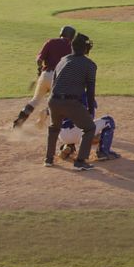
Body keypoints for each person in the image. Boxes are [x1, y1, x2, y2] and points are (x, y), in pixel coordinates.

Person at [44, 33, 99, 170]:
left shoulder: (62, 60)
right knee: (90, 128)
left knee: (54, 128)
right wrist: (90, 110)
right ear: (86, 48)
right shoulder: (89, 65)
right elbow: (90, 90)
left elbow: (55, 82)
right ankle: (80, 161)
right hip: (70, 102)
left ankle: (49, 159)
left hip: (53, 100)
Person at [12, 25, 75, 128]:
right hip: (58, 79)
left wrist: (39, 68)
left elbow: (39, 60)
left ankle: (18, 123)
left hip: (45, 75)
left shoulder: (50, 42)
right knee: (60, 103)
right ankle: (46, 112)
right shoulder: (72, 47)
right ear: (72, 36)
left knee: (35, 100)